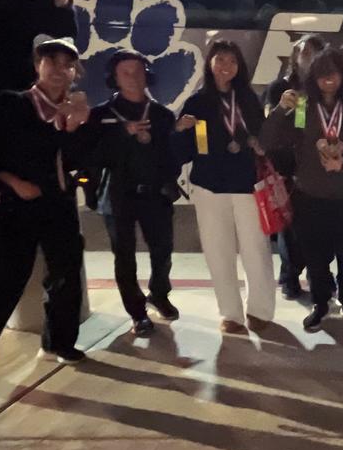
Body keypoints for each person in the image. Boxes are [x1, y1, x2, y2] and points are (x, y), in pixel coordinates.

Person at [0, 35, 92, 395]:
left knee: (66, 276)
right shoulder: (11, 105)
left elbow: (82, 162)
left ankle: (60, 343)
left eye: (67, 64)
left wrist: (77, 128)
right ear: (38, 65)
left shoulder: (72, 111)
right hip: (14, 210)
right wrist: (12, 181)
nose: (59, 70)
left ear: (75, 72)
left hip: (58, 206)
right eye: (51, 61)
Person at [263, 47, 343, 331]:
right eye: (322, 73)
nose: (329, 78)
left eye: (334, 72)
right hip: (310, 196)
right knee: (315, 257)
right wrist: (280, 110)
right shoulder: (303, 110)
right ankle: (320, 303)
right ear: (313, 76)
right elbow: (271, 140)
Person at [175, 40, 275, 336]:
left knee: (255, 249)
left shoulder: (248, 98)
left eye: (232, 61)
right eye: (220, 60)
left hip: (247, 184)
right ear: (210, 64)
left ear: (239, 67)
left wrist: (258, 144)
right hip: (209, 186)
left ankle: (260, 310)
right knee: (218, 251)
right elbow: (185, 151)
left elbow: (262, 135)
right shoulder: (197, 102)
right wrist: (179, 131)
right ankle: (230, 314)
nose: (225, 66)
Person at [85, 50, 181, 336]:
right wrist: (123, 134)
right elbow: (92, 156)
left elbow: (172, 155)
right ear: (114, 78)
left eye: (138, 71)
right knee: (124, 256)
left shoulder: (162, 115)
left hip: (155, 194)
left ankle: (159, 294)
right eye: (125, 72)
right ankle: (137, 312)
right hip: (118, 196)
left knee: (163, 250)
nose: (133, 77)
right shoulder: (100, 116)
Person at [265, 34, 325, 299]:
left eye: (314, 53)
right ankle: (290, 276)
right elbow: (269, 125)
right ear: (294, 57)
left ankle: (317, 274)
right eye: (303, 52)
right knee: (288, 228)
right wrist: (283, 107)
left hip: (318, 167)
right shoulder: (280, 87)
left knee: (317, 226)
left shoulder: (325, 88)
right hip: (287, 168)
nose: (308, 57)